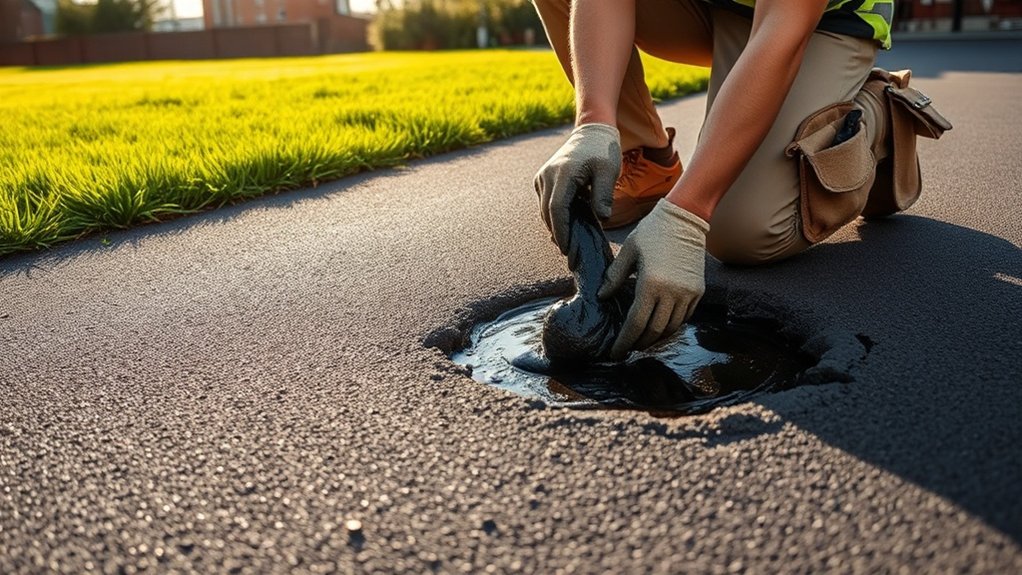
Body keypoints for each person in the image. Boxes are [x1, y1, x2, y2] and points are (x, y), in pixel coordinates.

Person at [531, 0, 950, 358]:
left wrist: (687, 213)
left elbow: (782, 33)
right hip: (713, 9)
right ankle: (646, 158)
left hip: (819, 20)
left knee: (744, 231)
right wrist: (593, 124)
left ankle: (870, 118)